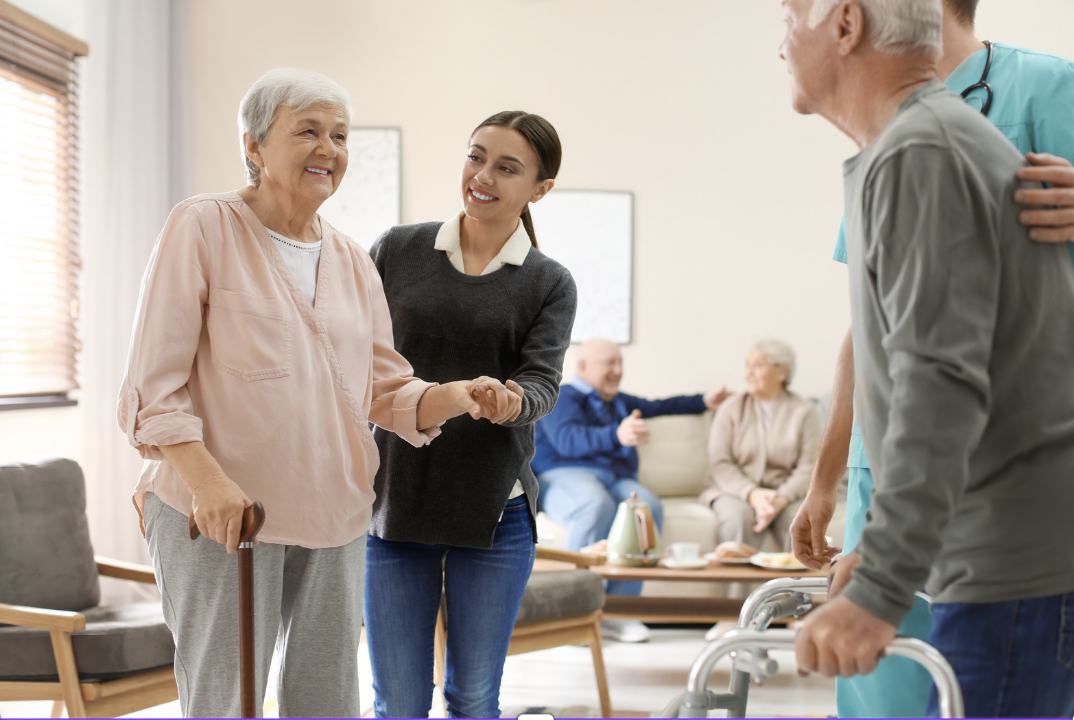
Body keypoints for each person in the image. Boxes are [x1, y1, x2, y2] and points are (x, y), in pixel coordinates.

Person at [116, 69, 516, 718]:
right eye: (307, 131)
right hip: (223, 511)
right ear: (253, 146)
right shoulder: (203, 227)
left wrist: (460, 395)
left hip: (335, 510)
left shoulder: (355, 259)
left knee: (327, 701)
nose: (328, 148)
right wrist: (207, 484)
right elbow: (151, 382)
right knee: (226, 698)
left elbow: (384, 387)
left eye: (339, 135)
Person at [780, 1, 1074, 717]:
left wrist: (881, 585)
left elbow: (940, 387)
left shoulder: (924, 152)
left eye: (789, 14)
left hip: (1008, 562)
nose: (780, 39)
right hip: (989, 552)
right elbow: (901, 352)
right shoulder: (919, 144)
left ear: (846, 24)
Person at [363, 111, 577, 719]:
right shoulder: (397, 249)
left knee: (474, 697)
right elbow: (357, 357)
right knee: (397, 703)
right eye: (475, 156)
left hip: (495, 512)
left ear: (539, 189)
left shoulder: (548, 282)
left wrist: (512, 402)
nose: (482, 176)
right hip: (395, 501)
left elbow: (542, 381)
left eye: (506, 167)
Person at [532, 337, 729, 642]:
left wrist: (704, 401)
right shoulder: (562, 396)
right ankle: (575, 611)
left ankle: (620, 610)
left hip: (613, 477)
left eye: (620, 363)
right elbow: (567, 440)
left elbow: (661, 405)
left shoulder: (619, 402)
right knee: (596, 505)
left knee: (645, 506)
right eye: (609, 363)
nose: (618, 370)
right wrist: (617, 434)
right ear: (582, 366)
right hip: (563, 475)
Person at [700, 340, 820, 634]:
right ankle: (733, 615)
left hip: (784, 493)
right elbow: (721, 463)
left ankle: (797, 611)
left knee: (799, 522)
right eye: (748, 366)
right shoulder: (731, 408)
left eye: (758, 365)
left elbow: (810, 466)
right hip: (732, 490)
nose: (748, 374)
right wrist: (752, 494)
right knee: (737, 517)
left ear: (782, 372)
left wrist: (780, 499)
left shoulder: (804, 412)